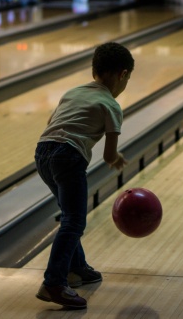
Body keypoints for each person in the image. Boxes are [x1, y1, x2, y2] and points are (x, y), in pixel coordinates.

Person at [34, 42, 133, 309]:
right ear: (123, 75)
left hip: (42, 152)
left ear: (93, 71)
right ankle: (54, 282)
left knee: (69, 215)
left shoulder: (72, 92)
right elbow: (109, 156)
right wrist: (118, 159)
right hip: (69, 156)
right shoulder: (111, 105)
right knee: (75, 221)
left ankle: (77, 266)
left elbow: (52, 126)